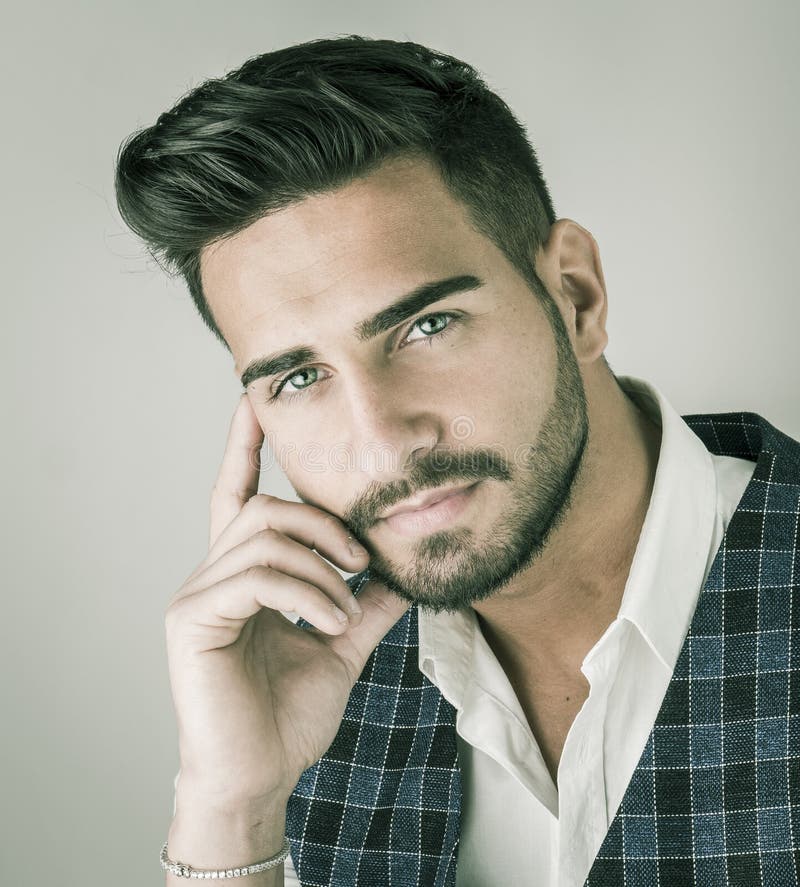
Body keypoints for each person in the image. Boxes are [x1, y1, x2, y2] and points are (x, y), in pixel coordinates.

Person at [115, 35, 800, 887]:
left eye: (426, 326)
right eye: (299, 377)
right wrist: (231, 807)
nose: (381, 440)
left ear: (575, 296)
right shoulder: (310, 692)